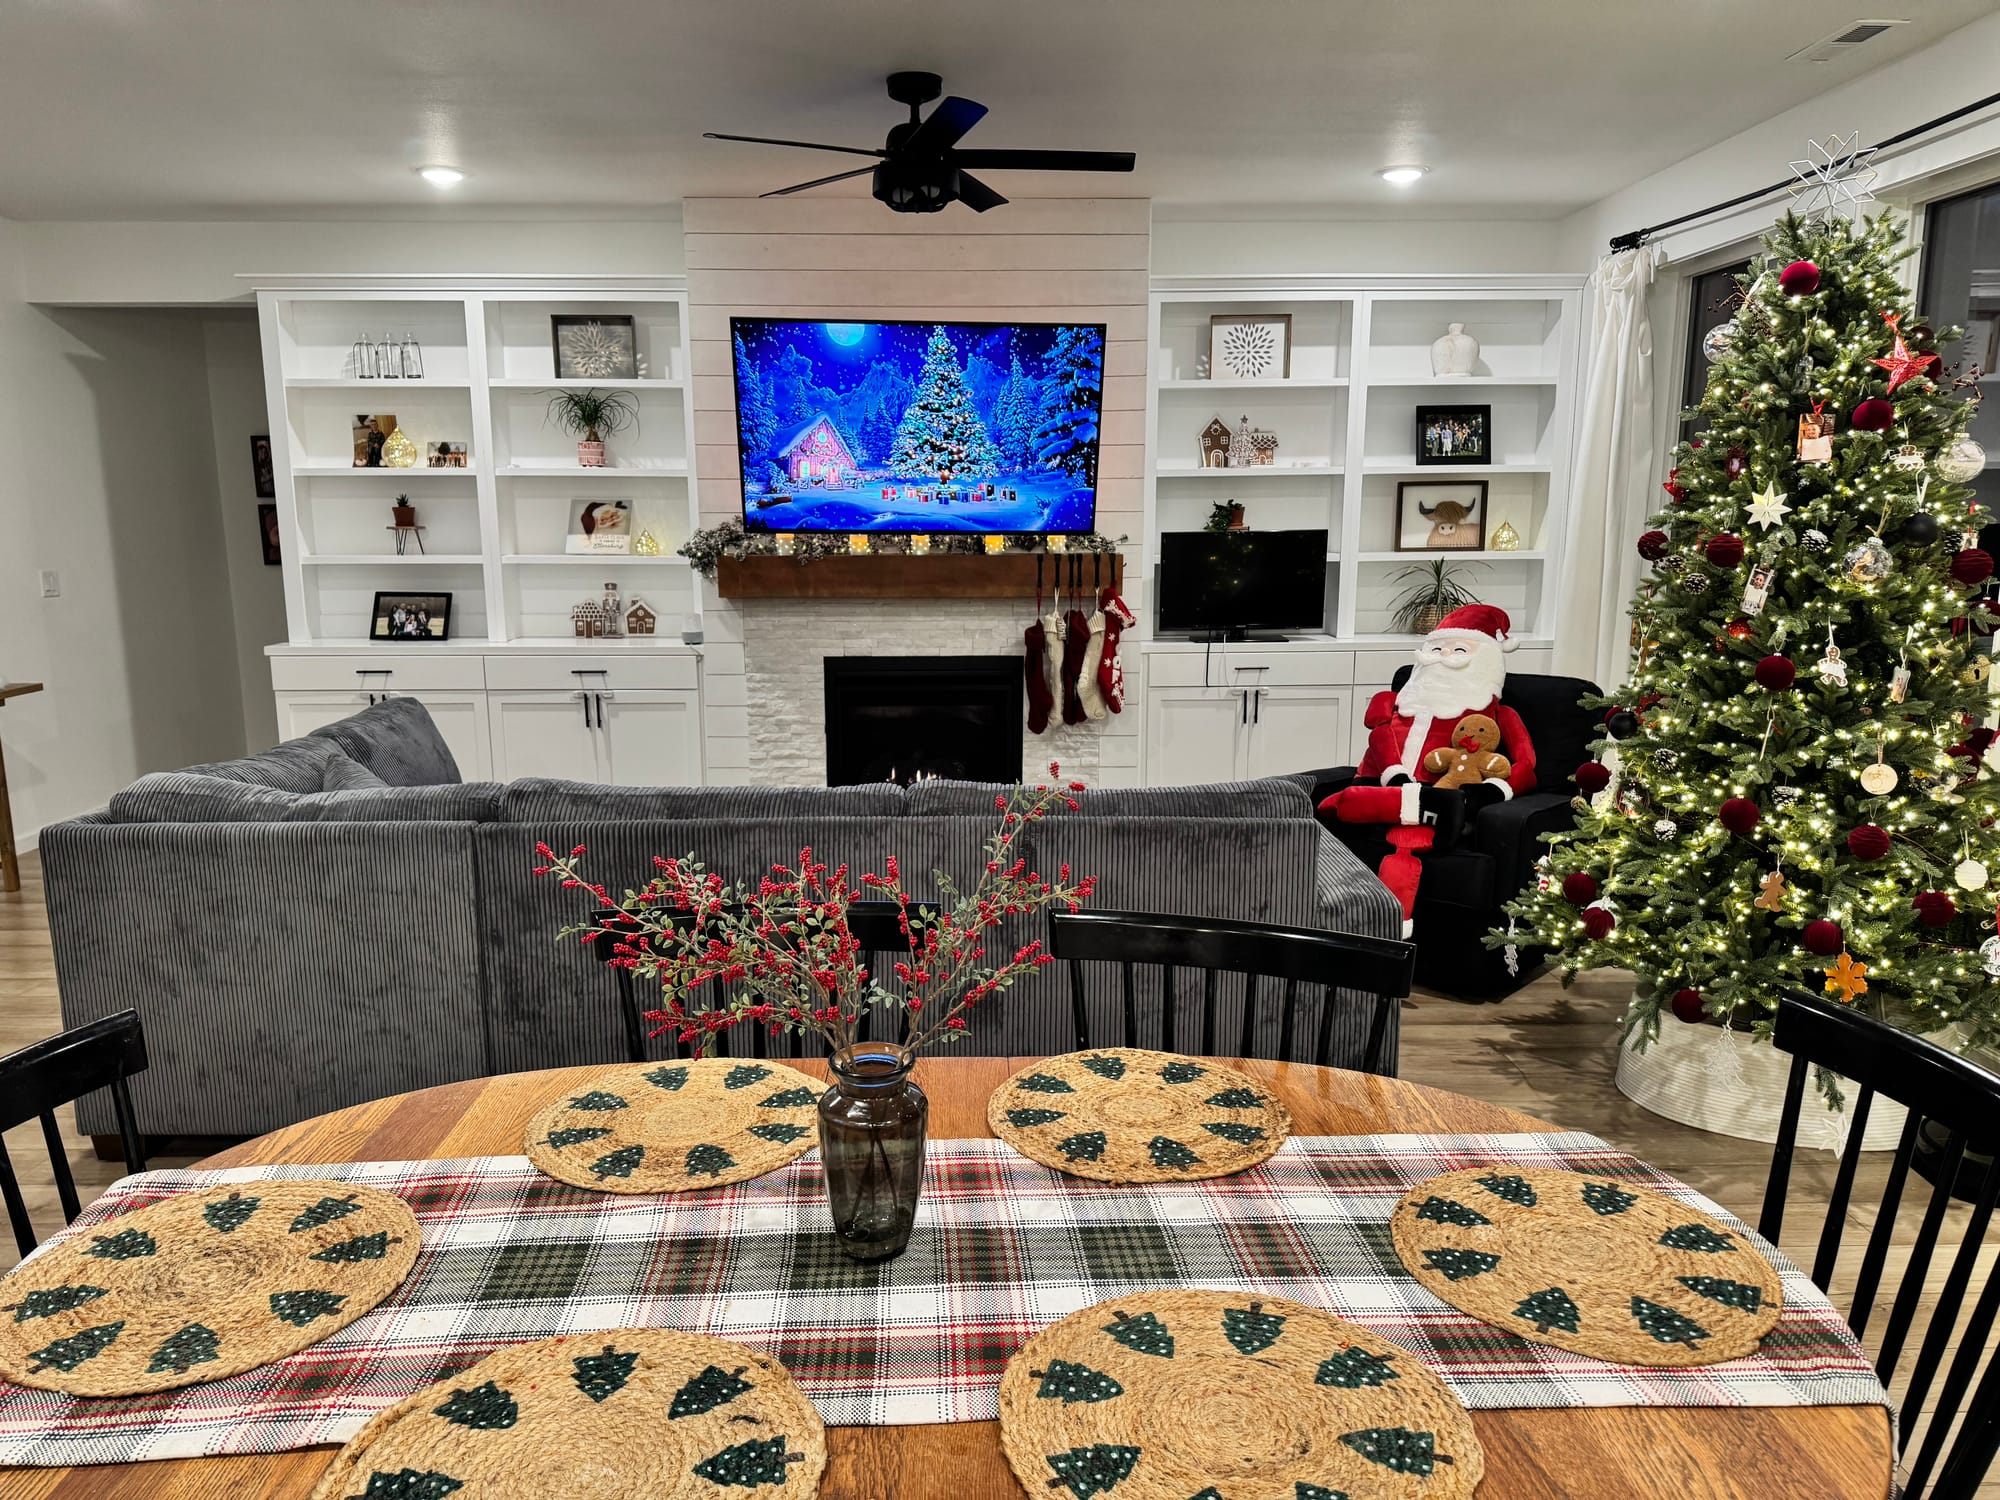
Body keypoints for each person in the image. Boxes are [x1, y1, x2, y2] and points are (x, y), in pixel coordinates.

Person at [1314, 604, 1538, 935]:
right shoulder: (1397, 700)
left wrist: (1492, 790)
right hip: (1389, 789)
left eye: (1459, 650)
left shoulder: (1498, 715)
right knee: (1337, 802)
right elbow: (1378, 735)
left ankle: (1392, 930)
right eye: (1437, 648)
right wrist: (1398, 777)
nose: (1444, 656)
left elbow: (1526, 766)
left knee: (1352, 813)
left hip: (1442, 793)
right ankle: (1425, 807)